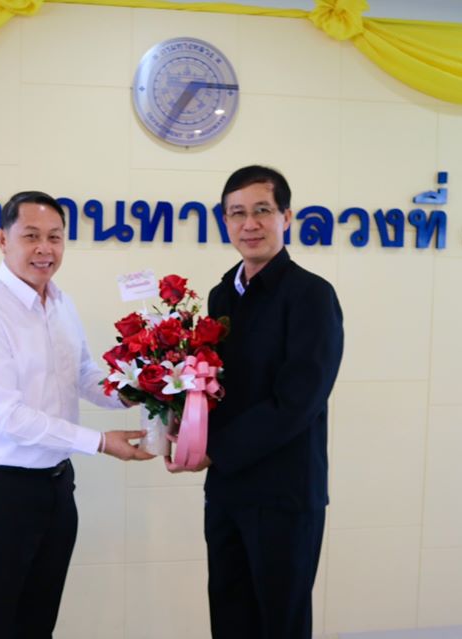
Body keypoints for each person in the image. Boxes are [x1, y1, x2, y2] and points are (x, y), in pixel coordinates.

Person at [0, 190, 153, 639]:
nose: (45, 248)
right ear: (3, 240)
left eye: (55, 237)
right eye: (32, 236)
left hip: (56, 485)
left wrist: (138, 389)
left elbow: (82, 373)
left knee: (38, 619)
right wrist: (101, 442)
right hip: (0, 489)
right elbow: (9, 417)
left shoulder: (60, 302)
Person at [167, 166, 344, 638]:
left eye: (262, 210)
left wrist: (214, 449)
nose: (250, 224)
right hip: (227, 491)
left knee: (279, 624)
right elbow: (215, 386)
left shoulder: (311, 296)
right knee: (229, 618)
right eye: (237, 213)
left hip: (284, 494)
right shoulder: (222, 295)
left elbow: (297, 401)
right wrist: (183, 422)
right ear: (224, 221)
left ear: (287, 217)